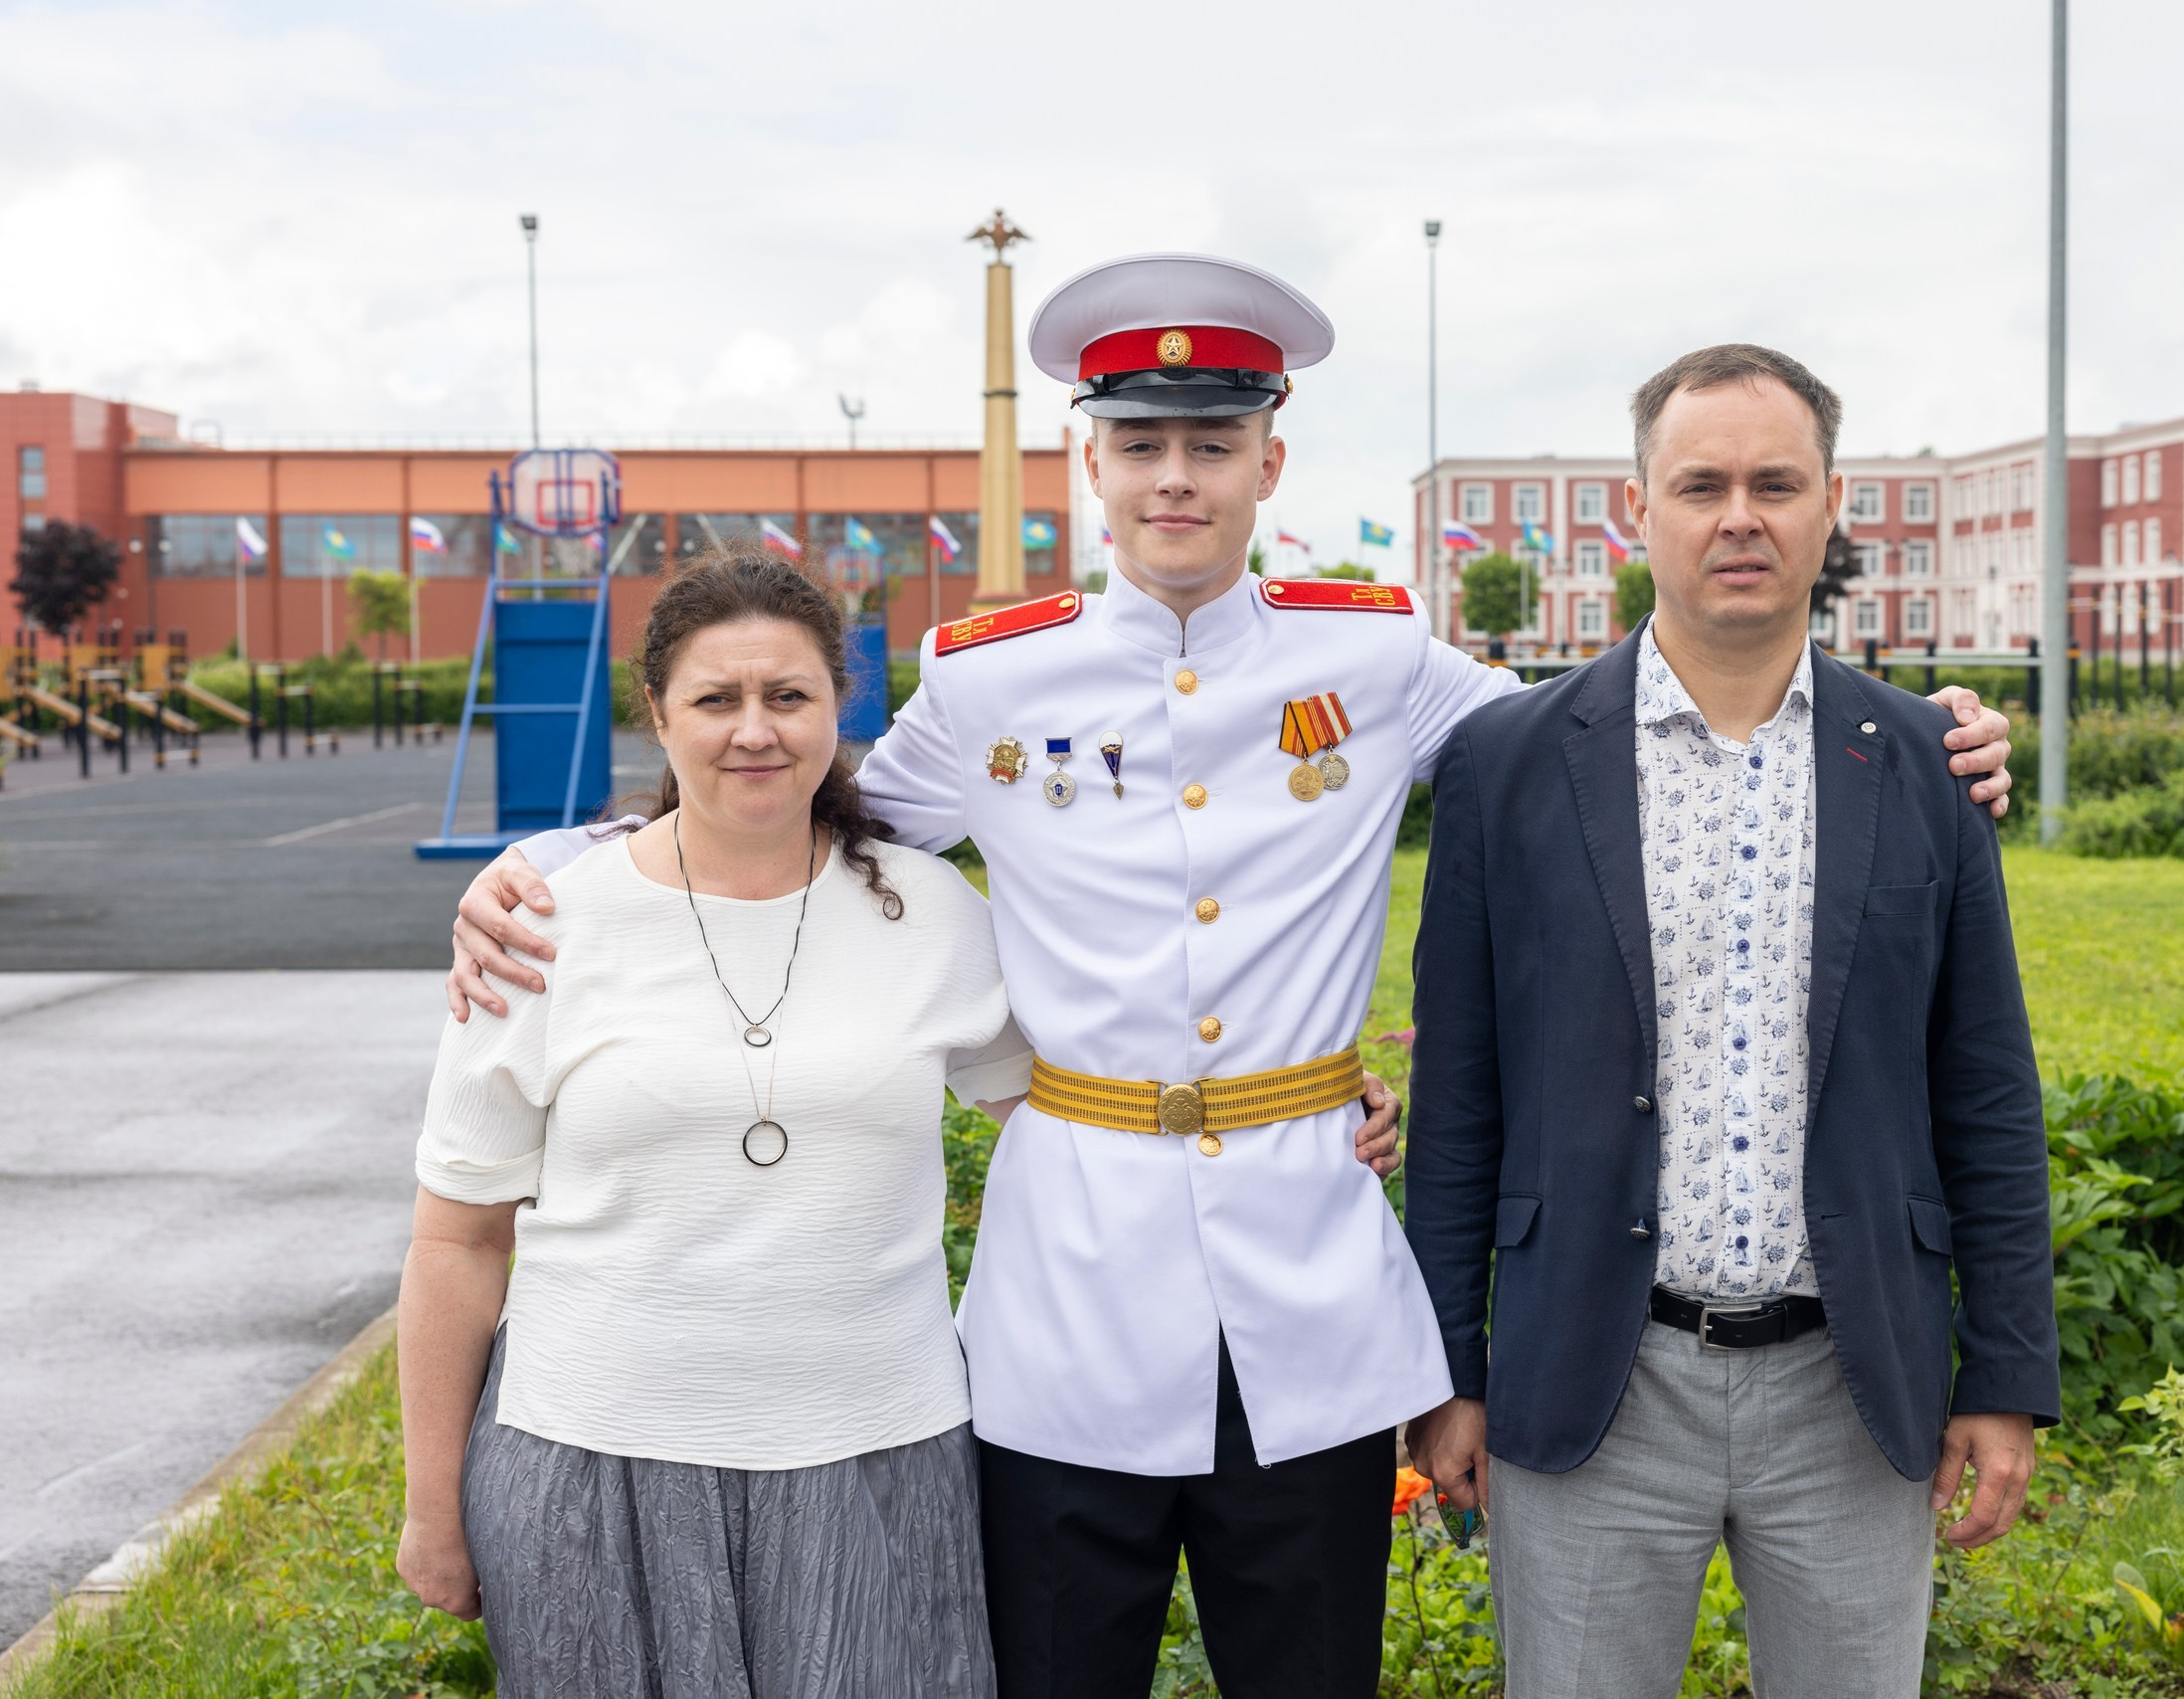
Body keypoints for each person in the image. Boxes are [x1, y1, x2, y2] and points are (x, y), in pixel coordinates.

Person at [442, 258, 2020, 1698]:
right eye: (1142, 441)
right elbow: (795, 799)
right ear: (1094, 461)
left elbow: (1605, 736)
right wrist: (572, 856)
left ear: (1272, 461)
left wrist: (1911, 728)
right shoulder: (993, 675)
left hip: (1306, 1293)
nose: (1176, 476)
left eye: (1213, 442)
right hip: (1071, 1296)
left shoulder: (1381, 656)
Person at [1402, 343, 2059, 1697]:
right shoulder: (1508, 766)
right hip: (1593, 1373)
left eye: (1777, 482)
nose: (1739, 516)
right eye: (1701, 484)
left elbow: (1984, 1088)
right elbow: (1462, 1093)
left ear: (1832, 505)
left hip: (1849, 1387)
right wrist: (1444, 1367)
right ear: (1636, 512)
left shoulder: (1926, 768)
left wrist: (2004, 1371)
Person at [397, 551, 1023, 1696]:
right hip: (591, 1464)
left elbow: (1077, 1104)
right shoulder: (543, 925)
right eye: (716, 699)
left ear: (840, 704)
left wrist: (1319, 1101)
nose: (755, 731)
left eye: (788, 697)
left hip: (875, 1452)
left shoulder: (932, 914)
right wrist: (431, 1508)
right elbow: (457, 1237)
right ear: (658, 712)